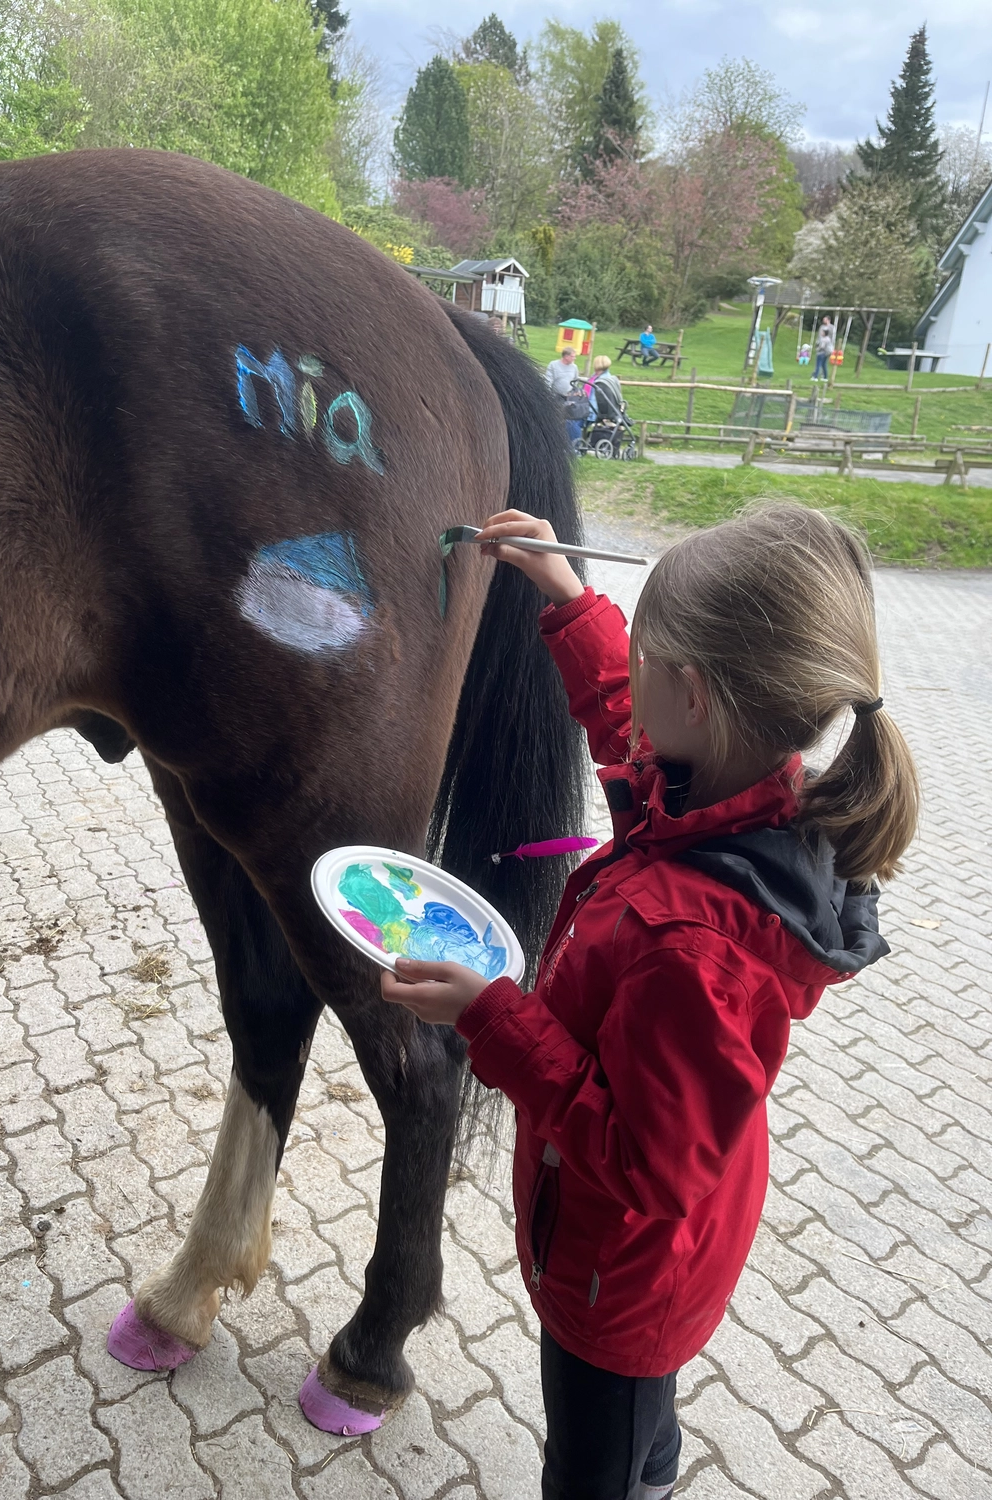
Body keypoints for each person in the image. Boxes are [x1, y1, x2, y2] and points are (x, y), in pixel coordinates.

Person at [382, 503, 918, 1500]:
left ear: (697, 696)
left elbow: (643, 1163)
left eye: (644, 652)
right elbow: (624, 719)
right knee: (640, 1429)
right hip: (644, 1252)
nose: (631, 685)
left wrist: (489, 1015)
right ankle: (655, 1469)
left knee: (594, 1456)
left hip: (617, 1282)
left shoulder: (691, 945)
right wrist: (572, 599)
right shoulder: (739, 797)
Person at [583, 355, 624, 421]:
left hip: (593, 412)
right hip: (589, 408)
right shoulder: (597, 377)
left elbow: (595, 401)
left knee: (571, 422)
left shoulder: (601, 382)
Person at [813, 317, 835, 382]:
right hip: (826, 349)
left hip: (823, 351)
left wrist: (818, 348)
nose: (823, 320)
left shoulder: (831, 328)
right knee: (823, 364)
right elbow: (819, 337)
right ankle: (825, 377)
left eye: (825, 319)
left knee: (819, 364)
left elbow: (822, 346)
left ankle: (816, 376)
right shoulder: (822, 327)